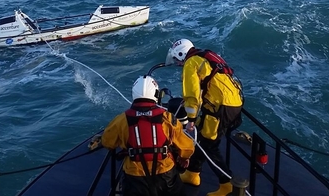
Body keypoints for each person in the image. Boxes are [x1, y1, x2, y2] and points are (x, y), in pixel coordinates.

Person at [166, 38, 244, 196]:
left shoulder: (190, 63)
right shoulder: (203, 56)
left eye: (176, 59)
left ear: (182, 54)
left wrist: (191, 119)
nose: (177, 63)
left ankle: (227, 184)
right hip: (232, 103)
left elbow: (192, 94)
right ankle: (192, 173)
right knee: (202, 138)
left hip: (221, 108)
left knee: (209, 146)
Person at [101, 75, 195, 196]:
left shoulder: (121, 120)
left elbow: (107, 142)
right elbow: (187, 147)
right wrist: (184, 158)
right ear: (156, 94)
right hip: (165, 175)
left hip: (134, 177)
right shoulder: (168, 118)